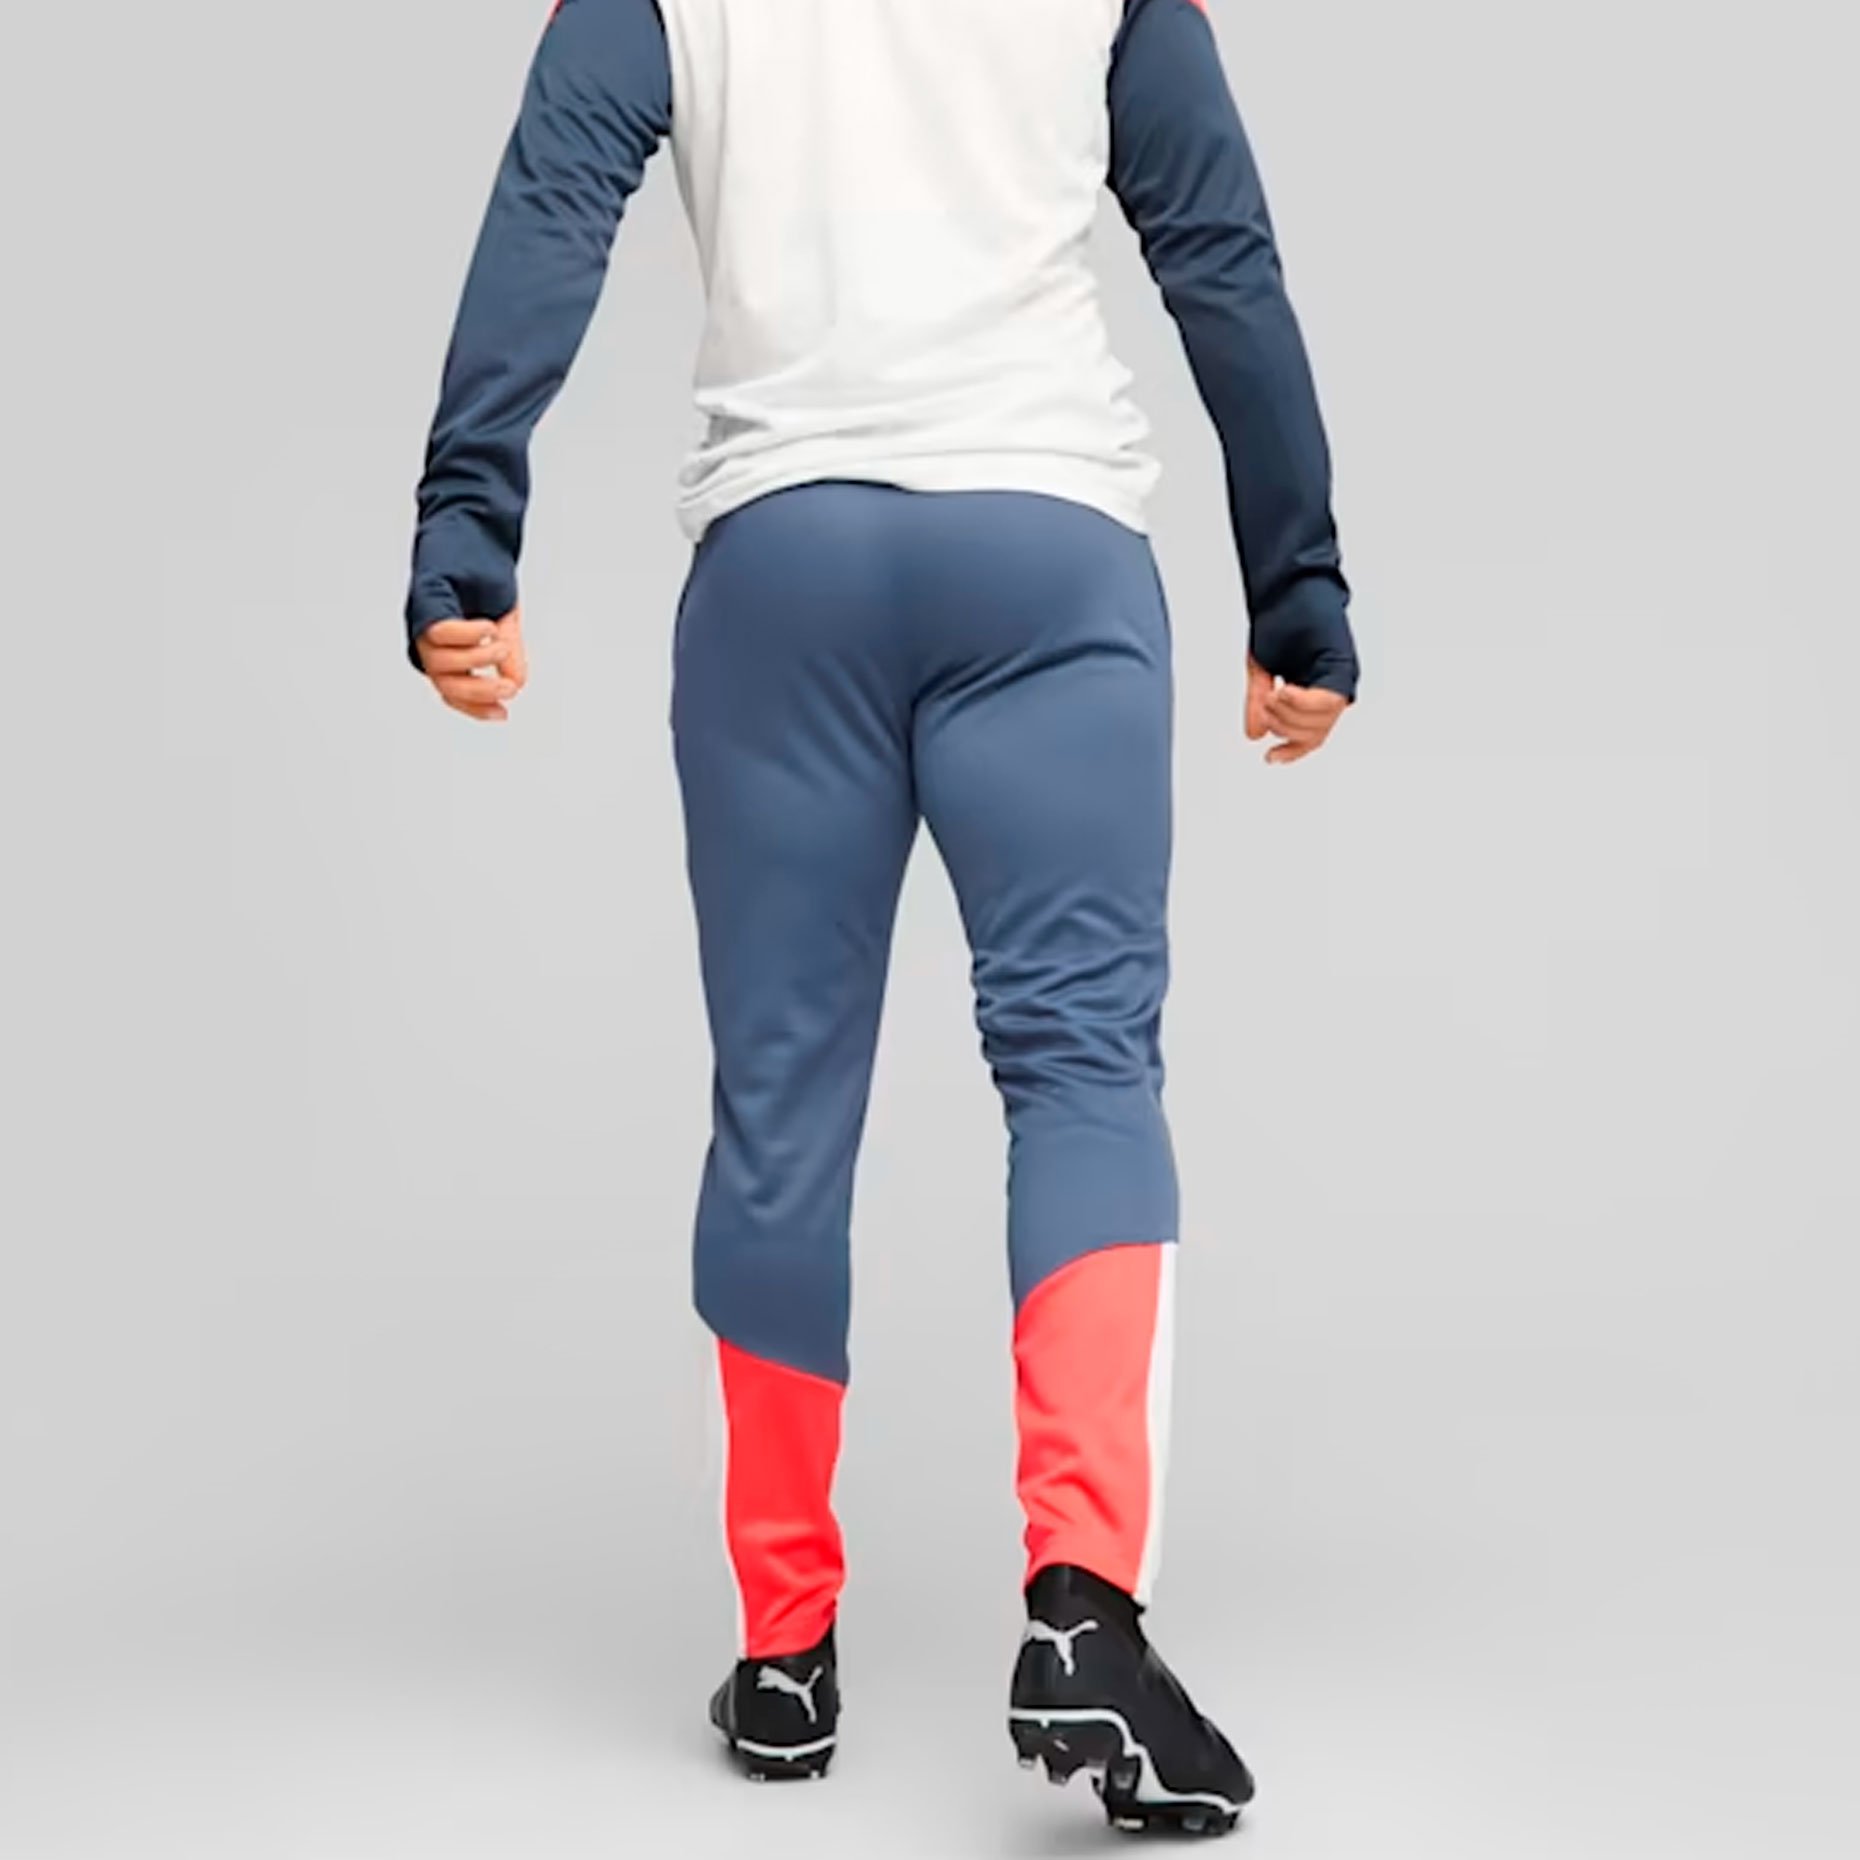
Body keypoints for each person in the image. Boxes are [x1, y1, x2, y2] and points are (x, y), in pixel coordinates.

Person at [403, 0, 1357, 1836]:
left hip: (785, 572)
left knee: (781, 1103)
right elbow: (1217, 251)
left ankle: (782, 1657)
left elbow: (550, 208)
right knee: (1082, 1073)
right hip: (1049, 557)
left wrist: (469, 537)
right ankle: (1083, 1610)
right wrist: (1295, 583)